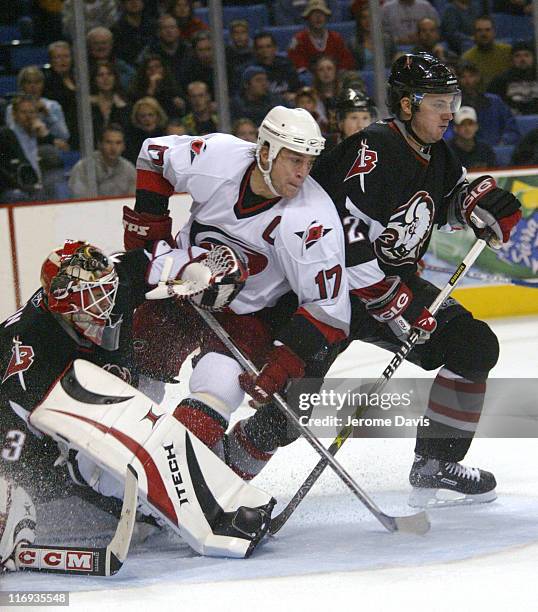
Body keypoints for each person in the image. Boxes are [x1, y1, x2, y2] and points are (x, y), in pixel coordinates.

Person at [310, 53, 522, 507]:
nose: (450, 112)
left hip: (393, 287)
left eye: (453, 101)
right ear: (407, 106)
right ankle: (198, 481)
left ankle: (434, 462)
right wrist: (392, 300)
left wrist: (477, 205)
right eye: (439, 103)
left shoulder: (436, 150)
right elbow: (345, 237)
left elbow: (447, 196)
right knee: (284, 412)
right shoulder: (373, 148)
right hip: (330, 294)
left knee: (474, 346)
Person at [0, 239, 274, 570]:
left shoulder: (112, 280)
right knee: (93, 468)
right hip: (36, 436)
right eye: (94, 303)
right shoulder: (32, 357)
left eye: (107, 293)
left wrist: (201, 267)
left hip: (98, 385)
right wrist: (11, 491)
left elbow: (160, 256)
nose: (106, 308)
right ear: (65, 309)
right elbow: (18, 442)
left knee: (140, 431)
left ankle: (194, 486)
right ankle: (150, 506)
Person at [122, 106, 351, 481]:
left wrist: (284, 361)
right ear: (265, 152)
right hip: (183, 283)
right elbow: (154, 154)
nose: (303, 172)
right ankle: (112, 462)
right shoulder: (218, 157)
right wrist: (151, 229)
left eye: (309, 162)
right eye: (294, 159)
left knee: (217, 388)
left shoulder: (313, 222)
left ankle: (175, 484)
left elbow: (329, 310)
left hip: (248, 314)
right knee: (136, 369)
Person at [287, 0, 355, 74]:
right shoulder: (299, 40)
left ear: (326, 17)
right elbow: (295, 62)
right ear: (308, 17)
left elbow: (346, 60)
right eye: (314, 14)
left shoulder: (336, 38)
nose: (318, 17)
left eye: (321, 13)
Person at [68, 124, 137, 198]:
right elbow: (78, 199)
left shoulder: (129, 170)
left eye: (118, 143)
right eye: (108, 142)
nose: (113, 148)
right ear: (99, 144)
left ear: (124, 146)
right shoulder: (83, 167)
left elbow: (133, 199)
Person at [462, 16, 512, 90]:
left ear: (494, 32)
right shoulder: (467, 58)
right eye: (479, 30)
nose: (484, 34)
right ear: (474, 34)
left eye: (487, 30)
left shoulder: (508, 52)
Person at [488, 41, 538, 116]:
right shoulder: (500, 80)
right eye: (517, 56)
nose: (522, 59)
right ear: (512, 59)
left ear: (533, 58)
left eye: (527, 55)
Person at [252, 32, 301, 104]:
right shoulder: (251, 70)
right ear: (255, 50)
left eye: (268, 46)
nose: (265, 50)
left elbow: (297, 89)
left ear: (275, 48)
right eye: (260, 47)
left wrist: (295, 95)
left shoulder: (286, 65)